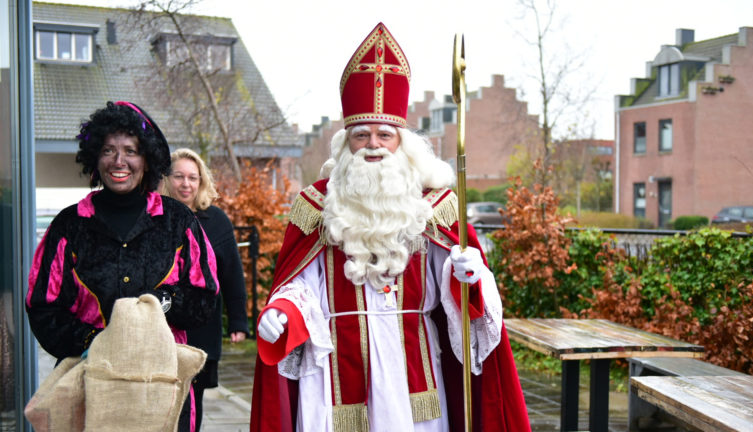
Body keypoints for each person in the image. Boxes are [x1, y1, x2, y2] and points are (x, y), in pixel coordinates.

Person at [250, 23, 530, 432]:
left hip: (415, 378)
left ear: (403, 143)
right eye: (361, 135)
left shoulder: (434, 206)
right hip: (335, 379)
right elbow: (301, 288)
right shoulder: (316, 207)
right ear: (347, 144)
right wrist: (281, 311)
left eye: (385, 134)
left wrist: (469, 275)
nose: (374, 145)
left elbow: (460, 291)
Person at [26, 101, 219, 432]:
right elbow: (42, 307)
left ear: (146, 159)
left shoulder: (178, 222)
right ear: (94, 158)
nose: (119, 161)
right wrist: (95, 341)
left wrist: (164, 301)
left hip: (163, 383)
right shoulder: (68, 226)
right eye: (108, 150)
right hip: (90, 385)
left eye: (130, 150)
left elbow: (204, 294)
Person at [161, 148, 249, 432]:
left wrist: (238, 321)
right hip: (160, 327)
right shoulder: (152, 217)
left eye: (193, 178)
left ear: (201, 182)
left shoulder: (216, 221)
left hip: (202, 328)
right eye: (179, 176)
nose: (186, 184)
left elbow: (232, 275)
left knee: (192, 403)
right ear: (165, 179)